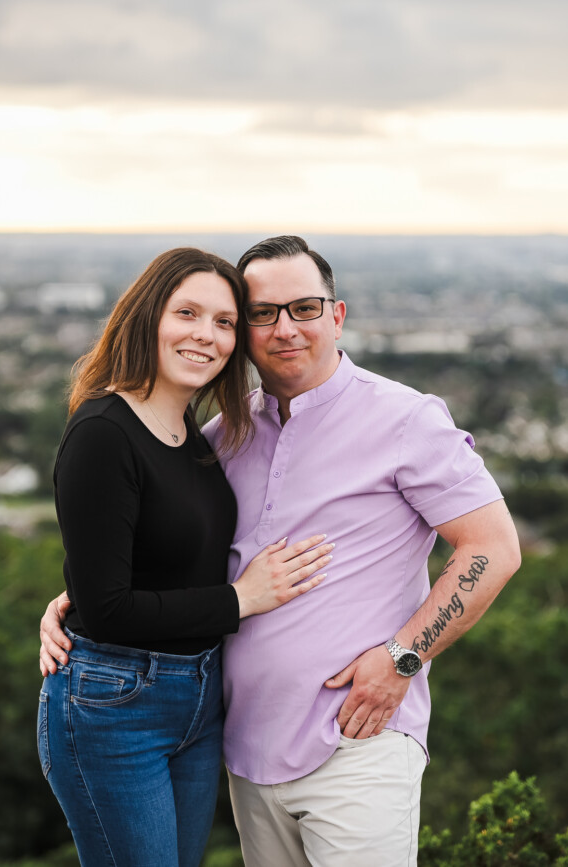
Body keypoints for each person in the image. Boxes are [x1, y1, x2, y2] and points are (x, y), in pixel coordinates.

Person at [41, 236, 521, 867]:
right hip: (244, 746)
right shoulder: (222, 436)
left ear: (337, 315)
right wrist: (75, 602)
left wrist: (403, 658)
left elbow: (493, 547)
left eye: (305, 308)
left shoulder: (406, 419)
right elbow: (161, 550)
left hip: (359, 738)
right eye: (263, 314)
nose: (285, 328)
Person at [37, 246, 333, 867]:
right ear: (147, 317)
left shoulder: (198, 437)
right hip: (115, 706)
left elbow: (150, 562)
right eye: (188, 313)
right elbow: (110, 610)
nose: (207, 335)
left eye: (225, 322)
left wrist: (73, 597)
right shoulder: (103, 432)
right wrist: (242, 599)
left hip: (200, 702)